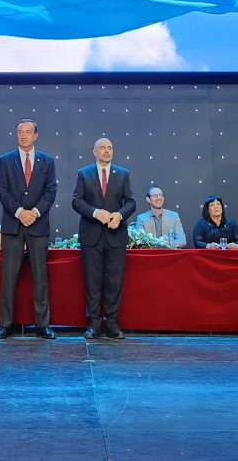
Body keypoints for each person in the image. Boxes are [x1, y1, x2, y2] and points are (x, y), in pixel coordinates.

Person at [0, 118, 58, 339]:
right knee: (8, 277)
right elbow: (2, 191)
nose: (23, 135)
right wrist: (20, 212)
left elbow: (51, 192)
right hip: (13, 224)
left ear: (36, 135)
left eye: (28, 132)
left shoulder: (47, 161)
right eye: (20, 132)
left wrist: (35, 213)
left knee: (40, 277)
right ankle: (5, 324)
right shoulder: (5, 160)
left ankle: (42, 325)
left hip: (38, 225)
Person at [72, 138, 136, 340]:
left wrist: (120, 215)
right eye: (102, 148)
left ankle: (113, 323)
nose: (107, 151)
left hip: (116, 235)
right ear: (94, 152)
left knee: (114, 281)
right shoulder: (84, 173)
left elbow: (131, 202)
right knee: (93, 281)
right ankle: (93, 323)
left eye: (110, 148)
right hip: (91, 235)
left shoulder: (123, 174)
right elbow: (76, 201)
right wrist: (93, 212)